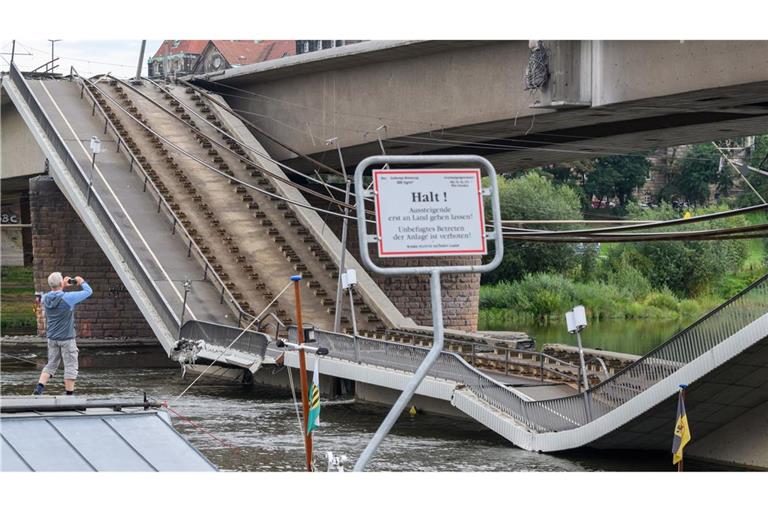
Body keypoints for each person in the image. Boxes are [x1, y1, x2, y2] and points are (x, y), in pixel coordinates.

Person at [33, 272, 92, 396]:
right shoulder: (68, 298)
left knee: (52, 364)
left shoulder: (45, 298)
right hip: (67, 338)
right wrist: (81, 281)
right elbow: (88, 291)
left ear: (50, 285)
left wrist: (61, 286)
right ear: (61, 283)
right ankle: (69, 395)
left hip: (52, 338)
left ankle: (39, 389)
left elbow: (56, 295)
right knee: (70, 366)